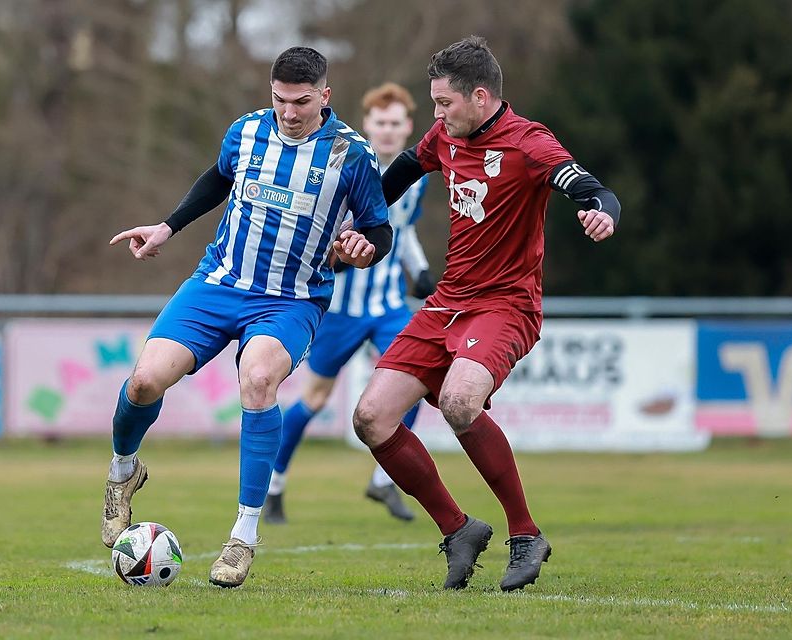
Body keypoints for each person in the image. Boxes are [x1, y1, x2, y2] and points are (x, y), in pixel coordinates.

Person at [102, 46, 393, 589]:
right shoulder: (247, 130)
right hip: (218, 284)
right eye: (280, 99)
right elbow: (218, 179)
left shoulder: (351, 155)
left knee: (258, 380)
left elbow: (380, 228)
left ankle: (243, 535)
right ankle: (123, 472)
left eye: (301, 102)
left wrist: (363, 248)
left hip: (292, 299)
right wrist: (167, 227)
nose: (289, 112)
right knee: (143, 381)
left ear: (325, 96)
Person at [352, 36, 621, 592]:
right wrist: (359, 219)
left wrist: (601, 212)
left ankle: (526, 534)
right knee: (371, 418)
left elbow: (591, 189)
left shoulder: (529, 143)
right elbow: (401, 172)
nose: (436, 115)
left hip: (506, 304)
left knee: (459, 401)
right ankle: (459, 530)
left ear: (480, 96)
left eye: (444, 103)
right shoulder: (445, 136)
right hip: (447, 302)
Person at [263, 83, 435, 525]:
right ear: (368, 125)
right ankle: (274, 484)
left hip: (389, 306)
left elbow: (404, 230)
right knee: (315, 398)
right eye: (380, 122)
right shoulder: (346, 162)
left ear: (408, 127)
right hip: (339, 308)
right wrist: (329, 260)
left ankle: (383, 479)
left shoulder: (416, 175)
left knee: (416, 382)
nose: (388, 130)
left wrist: (419, 270)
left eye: (396, 123)